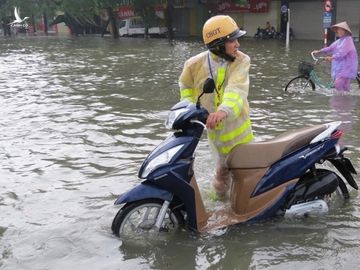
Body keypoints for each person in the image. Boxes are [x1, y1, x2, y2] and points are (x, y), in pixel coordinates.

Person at [178, 15, 254, 197]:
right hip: (215, 132)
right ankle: (219, 207)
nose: (238, 45)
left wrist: (223, 111)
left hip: (239, 131)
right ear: (218, 44)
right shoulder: (193, 64)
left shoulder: (241, 61)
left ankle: (246, 209)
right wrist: (189, 108)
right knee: (221, 178)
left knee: (245, 175)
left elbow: (236, 89)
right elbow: (185, 86)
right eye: (232, 40)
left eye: (237, 39)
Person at [312, 21, 358, 92]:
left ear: (345, 31)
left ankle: (338, 100)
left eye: (340, 30)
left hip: (347, 66)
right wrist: (319, 51)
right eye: (338, 30)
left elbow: (341, 53)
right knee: (345, 88)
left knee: (338, 83)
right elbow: (330, 48)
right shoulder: (340, 41)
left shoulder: (348, 40)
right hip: (341, 66)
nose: (338, 32)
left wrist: (332, 57)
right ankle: (346, 101)